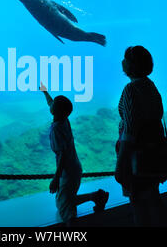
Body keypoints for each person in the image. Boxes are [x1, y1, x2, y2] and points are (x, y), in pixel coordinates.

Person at [114, 46, 167, 226]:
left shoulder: (131, 89)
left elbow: (130, 130)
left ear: (132, 64)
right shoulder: (150, 85)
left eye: (125, 58)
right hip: (154, 153)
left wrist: (121, 162)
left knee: (138, 203)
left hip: (138, 158)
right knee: (153, 198)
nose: (122, 61)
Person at [40, 82, 109, 226]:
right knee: (66, 199)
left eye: (55, 104)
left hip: (68, 171)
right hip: (74, 167)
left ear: (56, 111)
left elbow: (62, 156)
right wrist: (45, 92)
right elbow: (52, 103)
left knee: (65, 208)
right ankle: (97, 196)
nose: (51, 104)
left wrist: (56, 178)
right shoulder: (64, 119)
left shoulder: (57, 129)